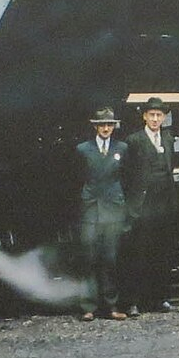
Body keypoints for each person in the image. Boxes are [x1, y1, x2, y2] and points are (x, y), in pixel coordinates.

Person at [119, 97, 178, 314]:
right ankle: (133, 301)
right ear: (144, 116)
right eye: (151, 115)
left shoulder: (168, 139)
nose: (155, 119)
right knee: (138, 254)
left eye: (159, 115)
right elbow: (125, 175)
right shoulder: (134, 141)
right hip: (142, 207)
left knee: (161, 254)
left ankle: (160, 299)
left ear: (163, 118)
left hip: (163, 205)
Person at [76, 107, 130, 321]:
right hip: (90, 210)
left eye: (109, 125)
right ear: (95, 127)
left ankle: (112, 305)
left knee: (110, 258)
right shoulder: (83, 149)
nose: (106, 128)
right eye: (102, 125)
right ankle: (88, 306)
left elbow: (127, 178)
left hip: (113, 209)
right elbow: (76, 179)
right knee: (89, 258)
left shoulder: (122, 148)